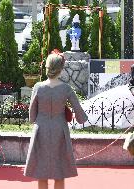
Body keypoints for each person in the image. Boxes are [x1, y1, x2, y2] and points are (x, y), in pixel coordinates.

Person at [24, 53, 88, 189]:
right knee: (60, 172)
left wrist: (35, 119)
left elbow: (32, 112)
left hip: (41, 129)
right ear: (61, 68)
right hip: (60, 129)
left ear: (47, 67)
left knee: (41, 172)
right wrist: (82, 118)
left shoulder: (38, 87)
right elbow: (79, 112)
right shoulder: (66, 88)